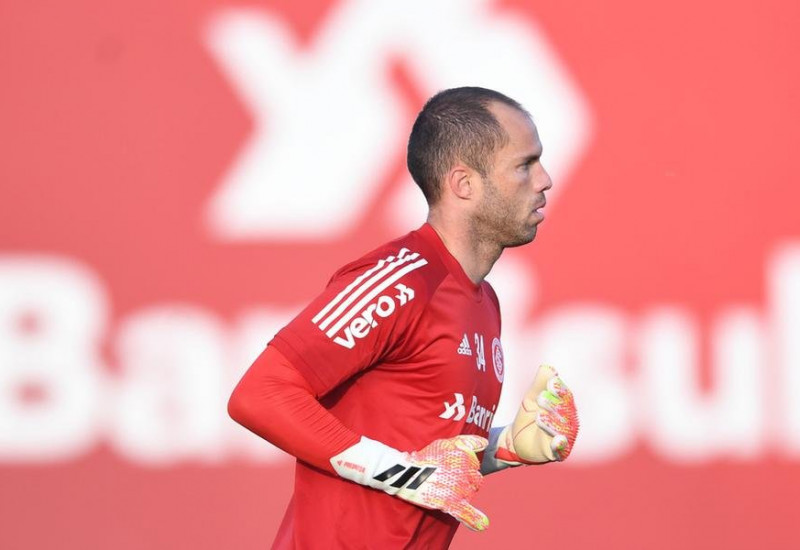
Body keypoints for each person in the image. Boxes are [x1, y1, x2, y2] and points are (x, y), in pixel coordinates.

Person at [228, 86, 579, 549]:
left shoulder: (483, 301)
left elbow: (424, 460)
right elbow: (259, 394)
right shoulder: (401, 280)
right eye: (524, 164)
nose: (545, 179)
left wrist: (507, 446)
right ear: (464, 184)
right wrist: (400, 472)